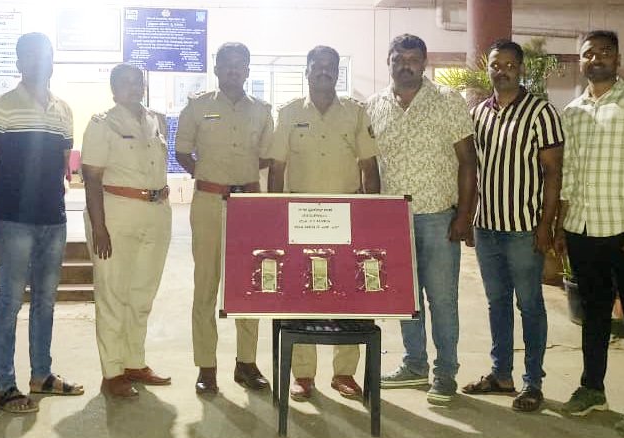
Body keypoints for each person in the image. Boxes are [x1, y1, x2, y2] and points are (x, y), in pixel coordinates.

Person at [558, 30, 624, 435]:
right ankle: (592, 388)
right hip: (583, 226)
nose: (597, 58)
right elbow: (569, 174)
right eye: (589, 53)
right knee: (593, 313)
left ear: (618, 60)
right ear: (580, 60)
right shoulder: (573, 111)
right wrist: (562, 225)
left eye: (605, 52)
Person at [366, 33, 478, 405]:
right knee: (405, 298)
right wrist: (373, 216)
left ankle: (445, 373)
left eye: (413, 59)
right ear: (389, 61)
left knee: (442, 300)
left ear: (424, 63)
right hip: (393, 222)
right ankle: (414, 365)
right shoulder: (374, 106)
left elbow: (468, 161)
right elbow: (371, 166)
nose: (406, 66)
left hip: (438, 218)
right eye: (398, 59)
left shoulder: (447, 100)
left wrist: (464, 215)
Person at [0, 32, 82, 413]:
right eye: (31, 57)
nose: (40, 63)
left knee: (46, 301)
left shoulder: (63, 109)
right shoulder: (0, 106)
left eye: (45, 56)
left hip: (54, 219)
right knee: (9, 301)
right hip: (15, 221)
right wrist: (10, 193)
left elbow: (63, 163)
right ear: (19, 62)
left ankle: (41, 374)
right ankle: (5, 385)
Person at [267, 45, 381, 401]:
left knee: (347, 291)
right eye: (317, 66)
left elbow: (369, 165)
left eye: (330, 66)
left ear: (337, 72)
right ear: (307, 71)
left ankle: (344, 372)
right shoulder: (288, 113)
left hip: (346, 215)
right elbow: (277, 168)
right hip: (301, 217)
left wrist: (371, 214)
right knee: (302, 293)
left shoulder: (355, 113)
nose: (324, 71)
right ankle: (303, 375)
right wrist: (275, 214)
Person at [459, 39, 564, 413]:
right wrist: (469, 218)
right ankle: (501, 374)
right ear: (487, 68)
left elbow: (553, 173)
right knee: (497, 303)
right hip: (487, 226)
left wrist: (546, 225)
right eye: (495, 64)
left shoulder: (541, 112)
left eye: (508, 64)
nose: (501, 70)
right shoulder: (478, 114)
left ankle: (533, 382)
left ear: (520, 69)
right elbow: (472, 170)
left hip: (524, 228)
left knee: (530, 304)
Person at [176, 42, 273, 395]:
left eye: (240, 64)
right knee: (206, 284)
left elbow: (267, 156)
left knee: (249, 284)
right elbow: (182, 151)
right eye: (227, 63)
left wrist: (240, 179)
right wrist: (208, 175)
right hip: (208, 203)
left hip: (248, 206)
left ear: (248, 70)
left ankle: (246, 363)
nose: (233, 69)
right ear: (216, 68)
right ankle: (207, 367)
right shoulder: (197, 107)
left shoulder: (262, 111)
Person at [81, 63, 174, 398]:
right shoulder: (102, 123)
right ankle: (113, 371)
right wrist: (99, 227)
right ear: (113, 88)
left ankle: (135, 362)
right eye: (126, 82)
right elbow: (91, 178)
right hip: (117, 214)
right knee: (113, 294)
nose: (134, 87)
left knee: (142, 294)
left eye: (138, 82)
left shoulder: (156, 120)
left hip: (157, 211)